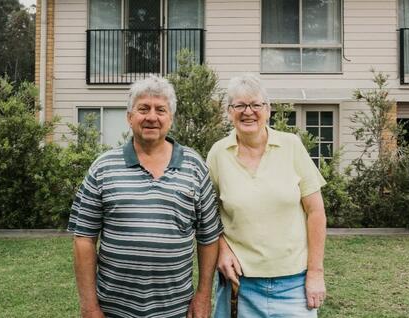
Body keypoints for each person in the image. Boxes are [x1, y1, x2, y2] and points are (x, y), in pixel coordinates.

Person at [68, 76, 222, 318]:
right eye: (143, 108)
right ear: (130, 117)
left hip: (176, 310)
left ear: (170, 118)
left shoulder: (195, 166)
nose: (152, 117)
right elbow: (84, 239)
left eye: (161, 109)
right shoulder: (102, 167)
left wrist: (203, 295)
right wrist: (89, 307)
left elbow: (209, 238)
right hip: (114, 310)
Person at [207, 74, 327, 317]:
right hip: (239, 285)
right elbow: (207, 215)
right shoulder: (218, 153)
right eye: (239, 105)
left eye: (255, 104)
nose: (248, 111)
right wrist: (222, 248)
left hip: (293, 285)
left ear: (268, 110)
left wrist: (315, 273)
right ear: (229, 112)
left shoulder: (291, 145)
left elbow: (315, 212)